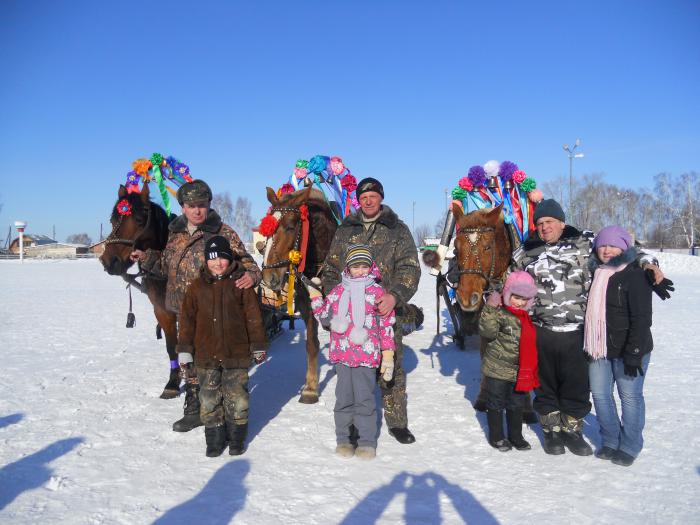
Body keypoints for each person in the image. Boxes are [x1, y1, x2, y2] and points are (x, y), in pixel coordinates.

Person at [511, 198, 667, 456]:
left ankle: (572, 430)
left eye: (549, 222)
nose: (544, 227)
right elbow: (508, 280)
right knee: (546, 385)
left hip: (578, 332)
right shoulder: (526, 250)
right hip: (542, 330)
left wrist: (649, 264)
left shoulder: (585, 241)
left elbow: (628, 249)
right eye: (539, 223)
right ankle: (551, 432)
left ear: (562, 222)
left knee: (577, 385)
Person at [130, 179, 262, 432]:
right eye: (191, 206)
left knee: (215, 363)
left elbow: (248, 263)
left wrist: (252, 276)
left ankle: (222, 408)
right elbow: (166, 266)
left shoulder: (223, 232)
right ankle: (194, 409)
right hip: (183, 310)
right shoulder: (175, 235)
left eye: (202, 205)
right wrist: (147, 258)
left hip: (216, 311)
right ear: (182, 207)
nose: (197, 211)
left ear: (209, 204)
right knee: (188, 360)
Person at [321, 177, 421, 444]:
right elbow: (331, 269)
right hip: (350, 319)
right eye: (363, 197)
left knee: (391, 366)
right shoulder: (346, 229)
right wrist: (335, 302)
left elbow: (410, 267)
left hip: (383, 310)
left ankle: (397, 421)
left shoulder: (396, 229)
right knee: (351, 372)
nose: (368, 200)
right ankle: (353, 423)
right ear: (358, 200)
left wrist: (395, 295)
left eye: (373, 196)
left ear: (381, 198)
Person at [176, 236, 268, 456]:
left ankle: (236, 438)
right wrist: (185, 350)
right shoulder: (197, 287)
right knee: (208, 399)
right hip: (205, 354)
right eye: (212, 259)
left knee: (238, 397)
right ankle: (215, 439)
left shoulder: (241, 283)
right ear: (206, 260)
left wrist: (257, 345)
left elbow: (253, 317)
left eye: (222, 258)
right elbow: (187, 321)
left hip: (235, 352)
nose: (217, 263)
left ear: (230, 259)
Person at [308, 244, 396, 460]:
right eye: (355, 267)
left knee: (365, 400)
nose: (360, 271)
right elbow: (325, 318)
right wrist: (315, 296)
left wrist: (388, 354)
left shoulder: (377, 292)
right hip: (342, 356)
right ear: (348, 268)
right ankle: (344, 440)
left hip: (366, 357)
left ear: (371, 267)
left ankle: (366, 442)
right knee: (344, 399)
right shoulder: (338, 292)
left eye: (364, 266)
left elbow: (386, 325)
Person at [585, 226, 656, 467]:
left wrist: (634, 353)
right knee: (601, 395)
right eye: (603, 245)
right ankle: (610, 440)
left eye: (613, 245)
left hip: (629, 348)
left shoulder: (635, 274)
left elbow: (642, 318)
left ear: (625, 248)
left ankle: (630, 444)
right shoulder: (594, 273)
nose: (607, 250)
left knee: (630, 397)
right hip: (599, 347)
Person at [479, 271, 539, 452]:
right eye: (516, 297)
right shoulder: (500, 314)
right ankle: (497, 436)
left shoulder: (528, 318)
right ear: (507, 295)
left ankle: (516, 436)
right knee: (496, 403)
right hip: (497, 369)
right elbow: (487, 332)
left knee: (516, 404)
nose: (519, 303)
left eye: (524, 299)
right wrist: (489, 308)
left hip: (518, 372)